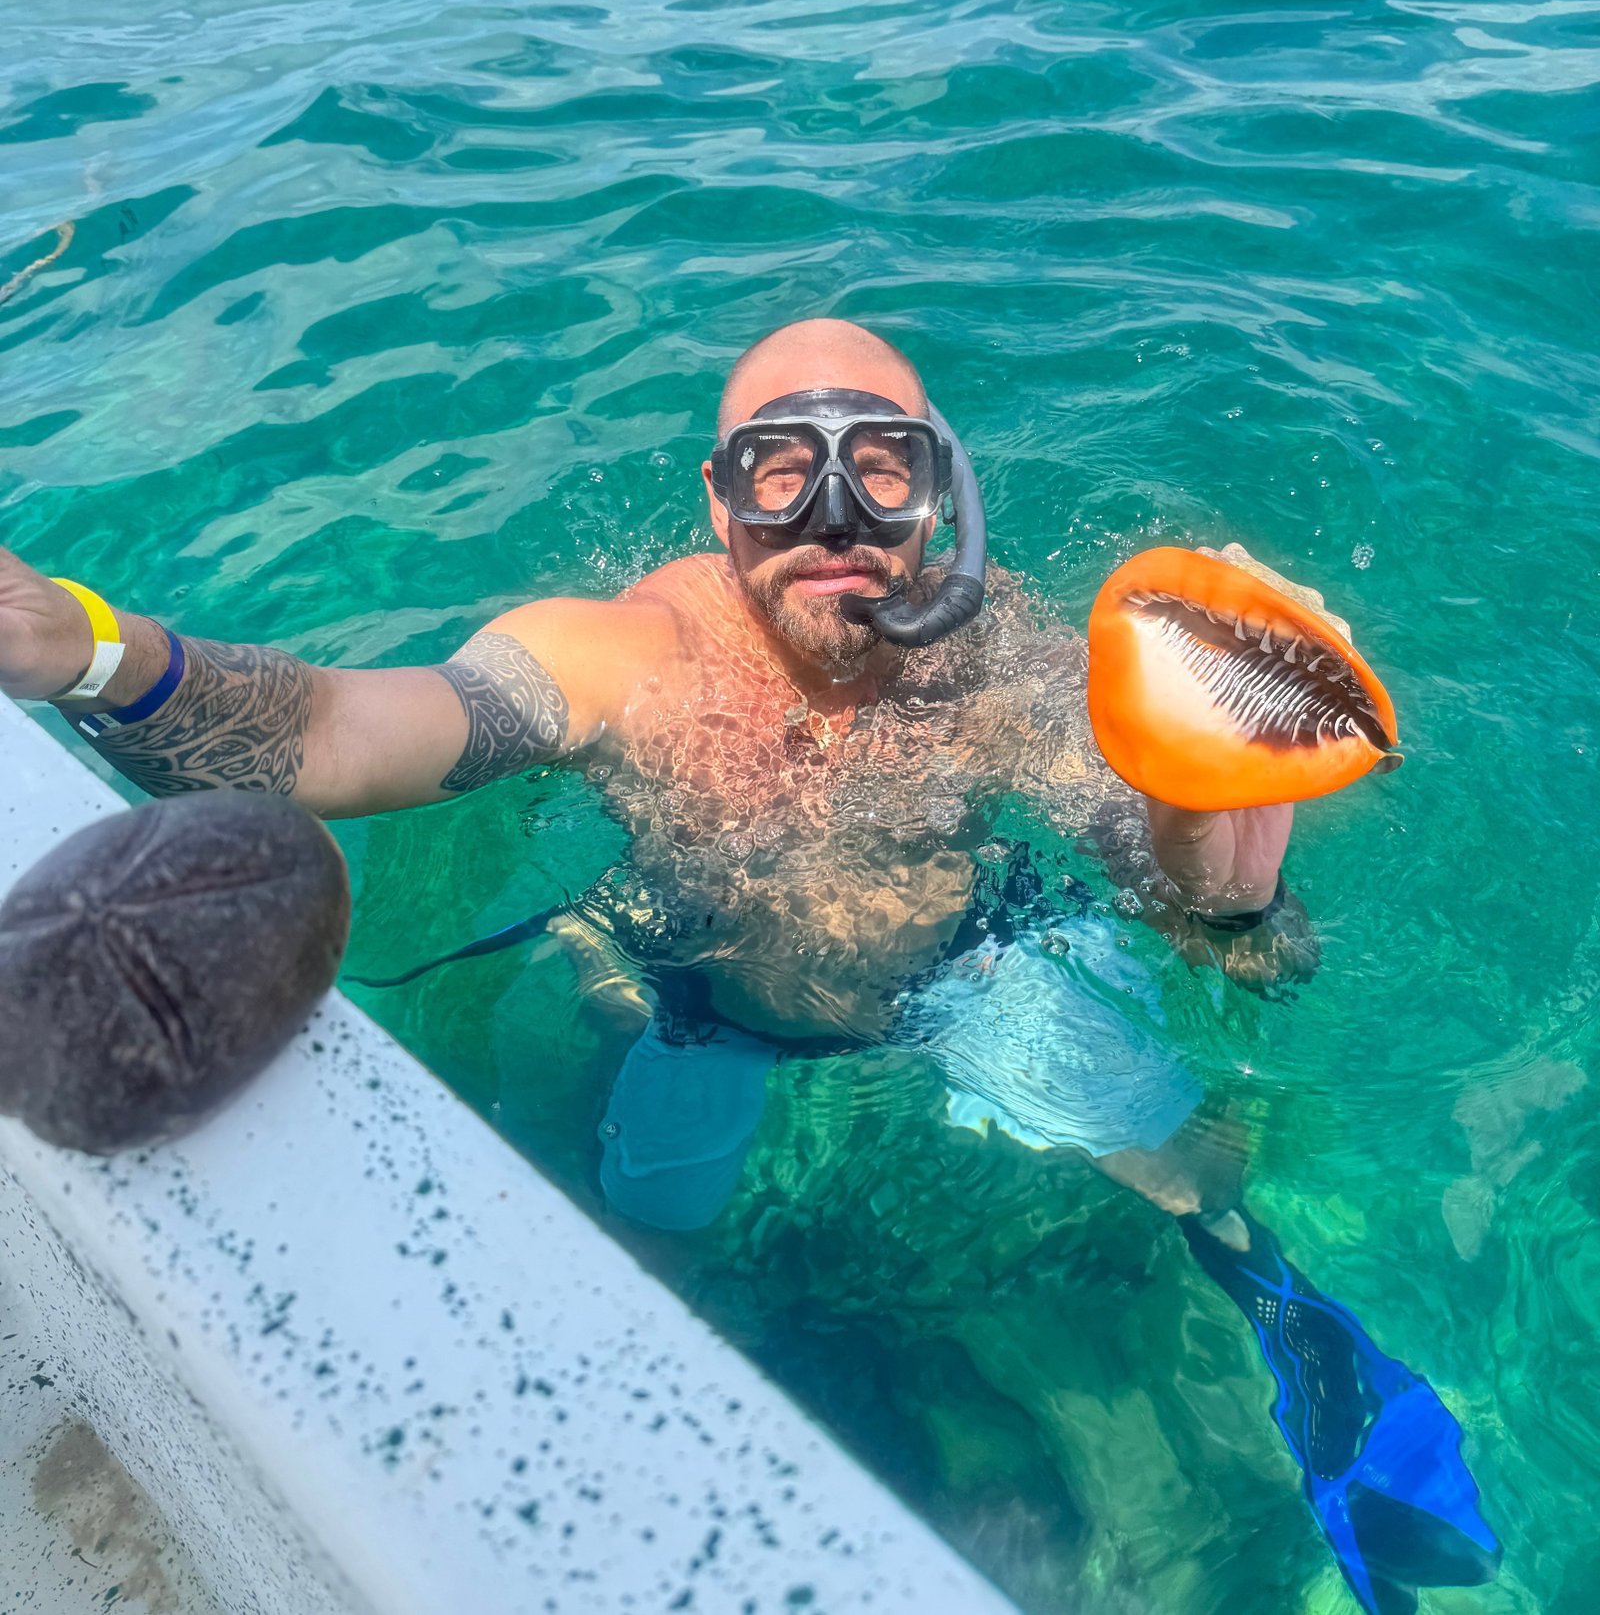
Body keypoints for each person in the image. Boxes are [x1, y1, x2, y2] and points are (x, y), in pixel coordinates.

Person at [0, 317, 1497, 1614]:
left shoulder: (1003, 663)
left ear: (944, 496)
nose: (835, 515)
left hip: (967, 972)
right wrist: (87, 648)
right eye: (783, 467)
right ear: (721, 499)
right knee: (646, 1232)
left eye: (882, 466)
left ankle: (1322, 1387)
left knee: (1199, 1181)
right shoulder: (629, 656)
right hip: (703, 999)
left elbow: (1239, 953)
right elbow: (342, 733)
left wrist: (1222, 854)